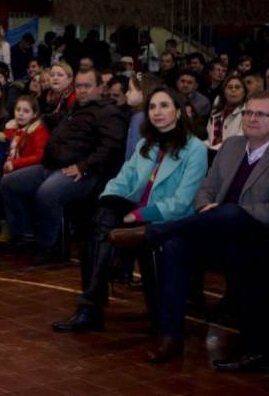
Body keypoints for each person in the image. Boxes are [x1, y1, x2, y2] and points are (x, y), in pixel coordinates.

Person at [110, 91, 269, 367]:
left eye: (261, 114)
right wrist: (206, 209)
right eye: (248, 112)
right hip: (216, 230)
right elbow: (206, 190)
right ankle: (170, 338)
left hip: (263, 237)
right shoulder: (232, 146)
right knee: (176, 246)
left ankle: (152, 231)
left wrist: (228, 212)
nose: (252, 119)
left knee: (230, 212)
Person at [52, 87, 207, 333]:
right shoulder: (146, 144)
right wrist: (108, 198)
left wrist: (137, 215)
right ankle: (92, 301)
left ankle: (90, 305)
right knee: (100, 219)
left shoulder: (195, 148)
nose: (157, 112)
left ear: (178, 112)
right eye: (152, 107)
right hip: (130, 212)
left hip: (167, 217)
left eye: (164, 106)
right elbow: (121, 180)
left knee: (100, 227)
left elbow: (181, 202)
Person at [1, 69, 127, 262]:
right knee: (9, 183)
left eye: (87, 86)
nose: (82, 90)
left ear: (101, 88)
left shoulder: (108, 112)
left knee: (47, 193)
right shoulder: (75, 108)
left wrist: (84, 166)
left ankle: (49, 247)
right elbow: (52, 119)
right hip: (50, 166)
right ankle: (25, 235)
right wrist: (33, 120)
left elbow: (111, 147)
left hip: (83, 173)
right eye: (79, 86)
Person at [0, 95, 50, 243]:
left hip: (34, 170)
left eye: (26, 111)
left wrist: (16, 164)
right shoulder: (12, 128)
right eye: (18, 110)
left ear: (34, 114)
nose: (20, 113)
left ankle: (24, 229)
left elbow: (40, 156)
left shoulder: (38, 130)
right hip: (13, 169)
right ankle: (9, 226)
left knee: (9, 184)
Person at [205, 74, 246, 152]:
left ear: (244, 92)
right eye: (230, 87)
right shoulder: (216, 112)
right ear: (224, 92)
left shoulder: (248, 113)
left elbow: (239, 142)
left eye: (237, 87)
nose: (233, 90)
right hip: (213, 154)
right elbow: (210, 139)